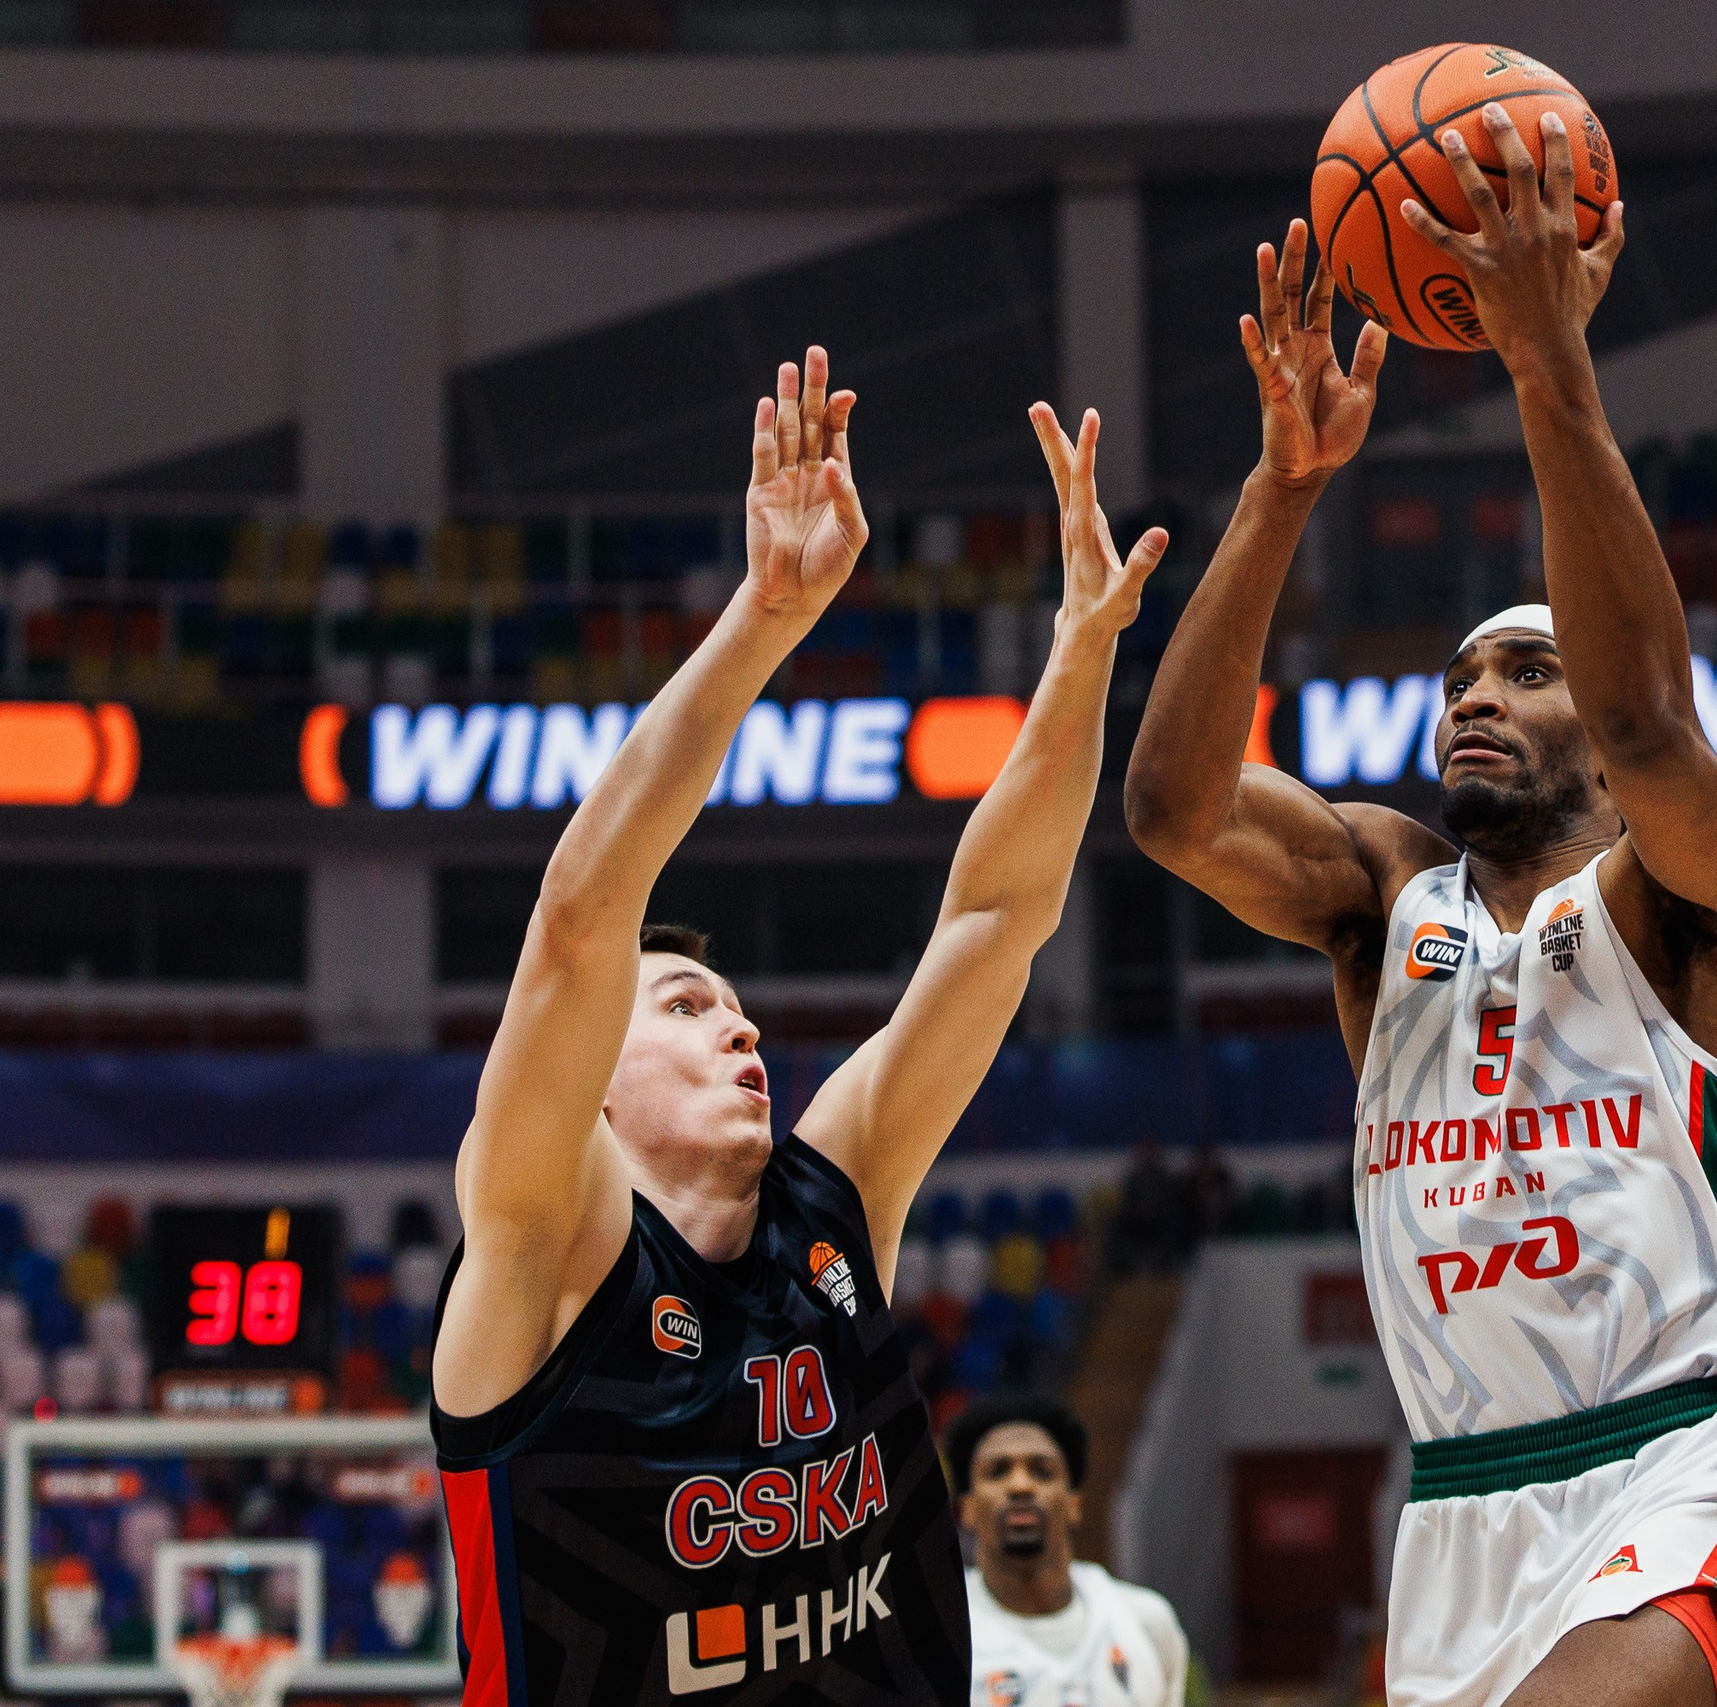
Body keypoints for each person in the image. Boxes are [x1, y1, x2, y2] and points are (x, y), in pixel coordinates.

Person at [1124, 100, 1717, 1707]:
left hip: (1688, 1461)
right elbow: (1170, 806)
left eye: (1526, 669)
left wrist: (1546, 366)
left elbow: (1657, 723)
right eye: (1456, 678)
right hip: (1456, 1510)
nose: (1475, 697)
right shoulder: (1384, 895)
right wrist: (1283, 485)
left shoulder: (1701, 888)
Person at [427, 347, 1166, 1706]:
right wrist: (766, 617)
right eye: (691, 1005)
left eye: (745, 1009)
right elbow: (585, 917)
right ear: (590, 1083)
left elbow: (996, 919)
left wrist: (1083, 651)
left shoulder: (831, 1205)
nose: (744, 1030)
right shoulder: (546, 1254)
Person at [945, 1393, 1189, 1707]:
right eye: (998, 1471)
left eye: (1042, 1471)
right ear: (966, 1508)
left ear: (1074, 1503)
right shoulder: (938, 1635)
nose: (1020, 1486)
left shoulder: (1147, 1623)